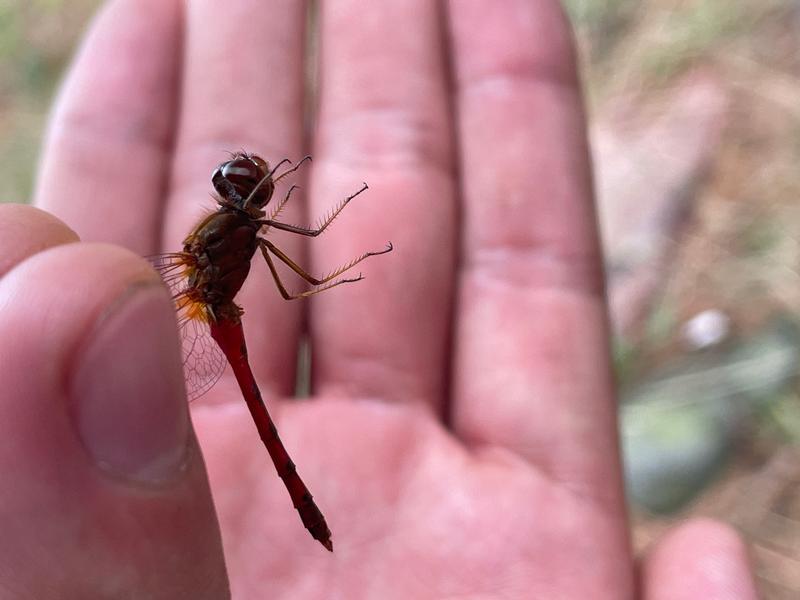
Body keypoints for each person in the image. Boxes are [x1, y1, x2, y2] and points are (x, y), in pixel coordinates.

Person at [0, 0, 758, 598]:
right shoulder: (224, 247)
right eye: (249, 187)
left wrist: (336, 245)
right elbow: (308, 254)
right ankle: (305, 506)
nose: (253, 190)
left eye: (252, 186)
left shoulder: (241, 234)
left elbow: (305, 251)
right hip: (216, 324)